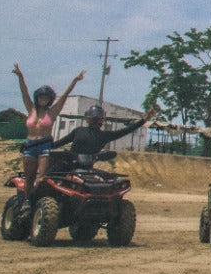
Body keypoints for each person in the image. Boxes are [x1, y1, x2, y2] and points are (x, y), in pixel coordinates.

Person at [13, 63, 85, 213]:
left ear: (50, 99)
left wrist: (75, 80)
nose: (43, 99)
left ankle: (37, 199)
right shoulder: (30, 109)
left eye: (46, 97)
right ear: (37, 98)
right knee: (29, 177)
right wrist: (20, 77)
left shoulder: (52, 112)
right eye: (41, 97)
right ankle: (27, 202)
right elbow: (24, 93)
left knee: (42, 177)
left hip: (45, 146)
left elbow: (64, 96)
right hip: (30, 146)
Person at [51, 104, 156, 166]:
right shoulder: (79, 131)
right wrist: (44, 146)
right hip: (68, 164)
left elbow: (127, 130)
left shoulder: (104, 135)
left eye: (98, 119)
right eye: (93, 119)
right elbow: (60, 143)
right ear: (88, 119)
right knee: (50, 177)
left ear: (102, 120)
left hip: (87, 168)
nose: (96, 121)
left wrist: (145, 120)